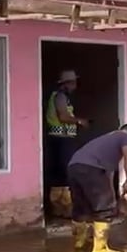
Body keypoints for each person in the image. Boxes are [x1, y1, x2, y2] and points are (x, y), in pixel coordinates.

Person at [66, 123, 127, 252]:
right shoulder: (126, 136)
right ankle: (100, 248)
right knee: (104, 208)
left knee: (81, 205)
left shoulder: (105, 140)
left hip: (73, 166)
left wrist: (110, 192)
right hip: (91, 168)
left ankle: (79, 241)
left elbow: (107, 175)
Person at [45, 70, 88, 218]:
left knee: (59, 176)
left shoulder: (61, 97)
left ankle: (59, 210)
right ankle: (66, 210)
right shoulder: (60, 97)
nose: (75, 86)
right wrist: (79, 121)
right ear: (67, 84)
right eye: (73, 83)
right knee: (66, 173)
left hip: (60, 139)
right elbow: (63, 116)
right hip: (61, 139)